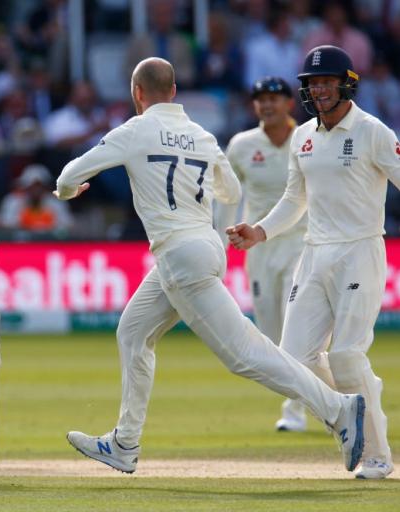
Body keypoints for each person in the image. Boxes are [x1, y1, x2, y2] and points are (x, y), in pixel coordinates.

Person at [54, 57, 365, 476]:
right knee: (132, 332)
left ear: (137, 94)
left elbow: (71, 172)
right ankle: (125, 443)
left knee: (246, 355)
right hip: (200, 246)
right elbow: (230, 188)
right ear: (175, 92)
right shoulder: (200, 134)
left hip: (180, 255)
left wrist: (67, 191)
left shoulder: (135, 129)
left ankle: (338, 408)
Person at [227, 45, 398, 479]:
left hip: (360, 249)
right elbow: (293, 200)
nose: (318, 90)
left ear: (347, 84)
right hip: (314, 251)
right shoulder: (304, 136)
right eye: (311, 83)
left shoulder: (373, 131)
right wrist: (259, 230)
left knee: (345, 355)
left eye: (325, 82)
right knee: (294, 358)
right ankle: (351, 406)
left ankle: (378, 457)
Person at [216, 76, 312, 433]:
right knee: (271, 335)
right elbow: (224, 193)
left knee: (295, 324)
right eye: (260, 99)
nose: (267, 105)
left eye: (274, 98)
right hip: (259, 248)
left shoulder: (309, 138)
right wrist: (218, 238)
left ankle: (295, 409)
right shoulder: (242, 145)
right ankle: (328, 391)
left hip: (302, 244)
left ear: (289, 103)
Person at [0, 164, 73, 235]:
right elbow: (5, 224)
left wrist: (44, 226)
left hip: (50, 243)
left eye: (39, 185)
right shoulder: (13, 200)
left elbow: (67, 226)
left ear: (46, 186)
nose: (36, 190)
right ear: (25, 186)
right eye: (32, 186)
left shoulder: (56, 201)